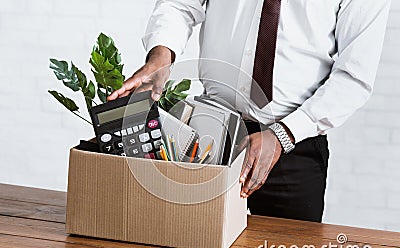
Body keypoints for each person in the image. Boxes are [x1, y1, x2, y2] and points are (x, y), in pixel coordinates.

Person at [108, 0, 391, 222]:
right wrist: (161, 57)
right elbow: (179, 4)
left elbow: (354, 76)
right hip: (210, 135)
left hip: (294, 149)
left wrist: (283, 135)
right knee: (188, 246)